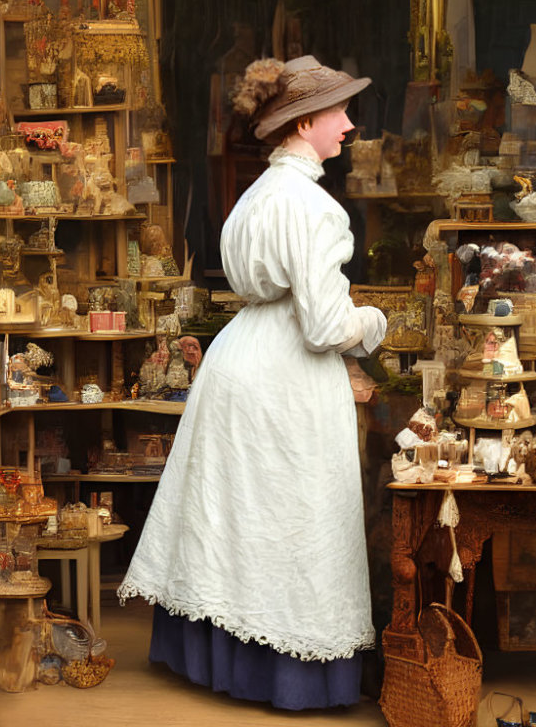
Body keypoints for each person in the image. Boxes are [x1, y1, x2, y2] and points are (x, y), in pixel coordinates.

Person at [118, 55, 387, 710]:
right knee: (295, 519)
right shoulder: (313, 209)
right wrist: (375, 320)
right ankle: (291, 674)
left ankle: (219, 661)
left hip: (241, 358)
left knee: (237, 515)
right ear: (302, 126)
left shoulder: (254, 198)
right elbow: (325, 326)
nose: (348, 124)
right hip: (285, 376)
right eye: (337, 113)